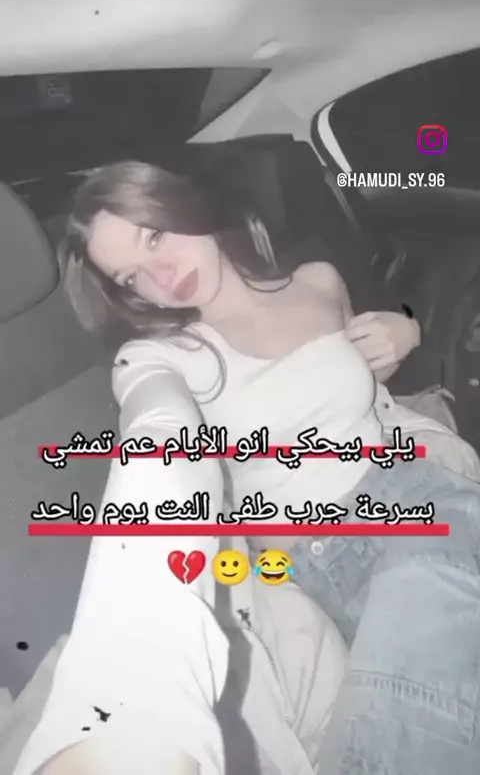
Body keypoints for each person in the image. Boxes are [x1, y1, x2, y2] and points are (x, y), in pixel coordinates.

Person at [13, 161, 480, 775]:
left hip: (414, 485)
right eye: (131, 276)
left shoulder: (318, 280)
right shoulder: (159, 357)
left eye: (156, 236)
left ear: (186, 206)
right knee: (442, 566)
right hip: (324, 546)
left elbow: (358, 382)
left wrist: (405, 330)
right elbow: (156, 438)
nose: (159, 275)